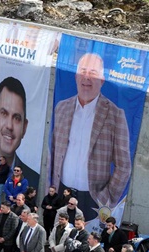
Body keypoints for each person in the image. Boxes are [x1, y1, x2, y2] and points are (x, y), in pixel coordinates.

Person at [50, 53, 131, 213]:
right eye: (83, 71)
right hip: (61, 192)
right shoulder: (61, 108)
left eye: (92, 73)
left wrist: (105, 198)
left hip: (93, 199)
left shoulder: (115, 115)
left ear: (102, 80)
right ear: (75, 77)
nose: (86, 78)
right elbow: (53, 151)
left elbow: (124, 166)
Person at [0, 77, 39, 190]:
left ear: (25, 127)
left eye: (17, 118)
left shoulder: (34, 179)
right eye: (4, 113)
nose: (9, 126)